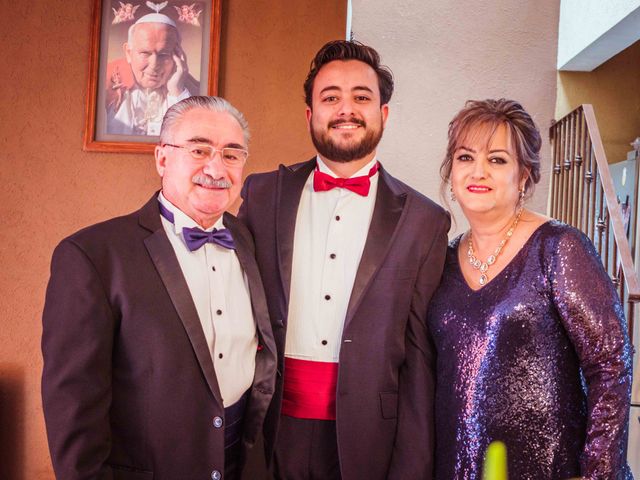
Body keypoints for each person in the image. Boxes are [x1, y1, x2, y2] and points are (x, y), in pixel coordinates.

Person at [238, 40, 450, 479]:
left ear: (383, 114)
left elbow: (419, 358)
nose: (345, 109)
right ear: (310, 114)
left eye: (361, 97)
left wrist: (413, 466)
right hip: (269, 430)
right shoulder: (261, 196)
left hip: (370, 440)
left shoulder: (425, 221)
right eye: (330, 97)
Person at [42, 96, 276, 480]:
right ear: (162, 159)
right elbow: (73, 410)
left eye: (232, 155)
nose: (216, 167)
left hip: (242, 462)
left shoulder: (250, 241)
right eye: (200, 149)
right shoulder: (91, 255)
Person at [428, 98, 634, 479]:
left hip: (549, 466)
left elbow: (611, 365)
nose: (479, 172)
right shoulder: (441, 258)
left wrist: (599, 472)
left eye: (497, 160)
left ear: (523, 175)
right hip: (455, 465)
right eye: (465, 157)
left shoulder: (559, 247)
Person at [106, 13, 198, 136]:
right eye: (145, 53)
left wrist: (177, 91)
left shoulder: (194, 93)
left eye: (164, 54)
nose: (154, 65)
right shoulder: (106, 86)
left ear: (178, 55)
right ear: (129, 53)